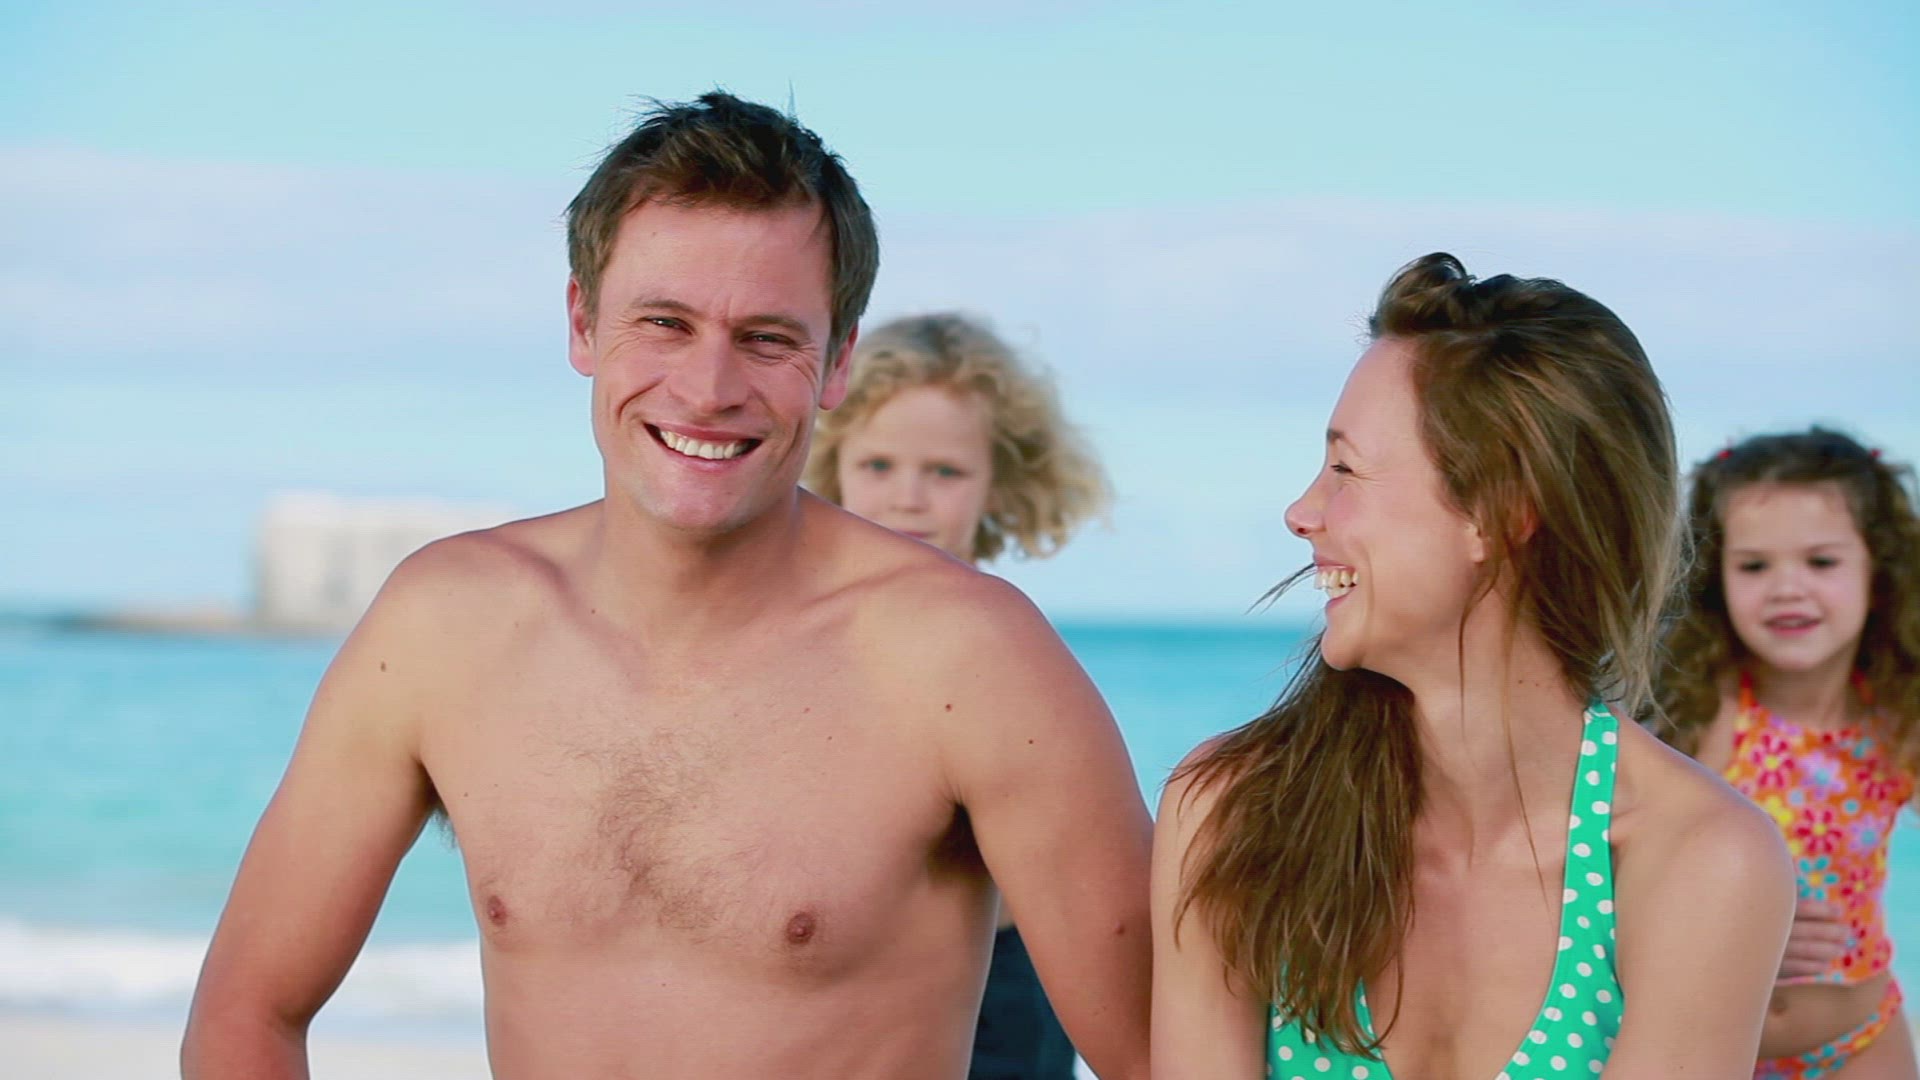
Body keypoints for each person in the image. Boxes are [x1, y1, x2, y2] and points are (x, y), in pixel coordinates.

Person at [180, 92, 1153, 1080]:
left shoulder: (968, 659)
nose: (708, 388)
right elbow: (246, 1014)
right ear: (581, 322)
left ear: (837, 362)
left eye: (767, 338)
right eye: (664, 323)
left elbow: (1166, 1055)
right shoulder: (443, 626)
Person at [1149, 252, 1797, 1078]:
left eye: (1345, 469)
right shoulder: (1231, 812)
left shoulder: (1700, 857)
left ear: (1499, 510)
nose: (1302, 512)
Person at [805, 312, 1109, 1080]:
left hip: (997, 1004)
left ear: (998, 485)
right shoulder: (794, 643)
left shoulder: (1009, 656)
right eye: (878, 465)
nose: (908, 499)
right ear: (831, 465)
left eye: (945, 473)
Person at [1657, 428, 1920, 1079]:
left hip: (1861, 1040)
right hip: (1714, 1049)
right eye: (1754, 566)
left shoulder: (1898, 717)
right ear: (1715, 577)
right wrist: (1744, 924)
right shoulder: (1709, 713)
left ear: (1879, 572)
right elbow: (1623, 876)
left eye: (1821, 562)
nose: (1787, 588)